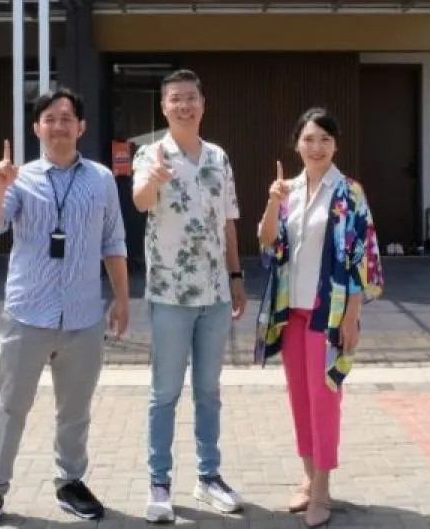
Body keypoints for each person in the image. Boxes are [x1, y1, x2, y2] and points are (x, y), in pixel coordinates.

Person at [0, 87, 130, 529]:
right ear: (37, 128)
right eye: (50, 119)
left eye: (66, 118)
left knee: (75, 411)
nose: (59, 126)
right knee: (9, 407)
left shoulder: (100, 179)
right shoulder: (19, 179)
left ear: (81, 127)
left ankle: (70, 482)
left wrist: (122, 298)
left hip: (83, 316)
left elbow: (113, 241)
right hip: (27, 314)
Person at [255, 107, 385, 529]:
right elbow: (267, 242)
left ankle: (323, 490)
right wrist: (273, 202)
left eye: (325, 139)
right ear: (297, 144)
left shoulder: (349, 193)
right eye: (309, 139)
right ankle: (308, 478)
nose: (316, 147)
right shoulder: (287, 190)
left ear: (335, 146)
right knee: (299, 398)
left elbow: (362, 258)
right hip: (291, 312)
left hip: (328, 314)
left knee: (325, 397)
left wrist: (351, 317)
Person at [131, 68, 248, 524]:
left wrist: (236, 276)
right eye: (175, 99)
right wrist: (154, 180)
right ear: (164, 107)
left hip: (215, 293)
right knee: (164, 393)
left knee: (208, 391)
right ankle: (159, 483)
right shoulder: (150, 153)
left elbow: (228, 221)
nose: (184, 105)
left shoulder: (219, 157)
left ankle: (208, 477)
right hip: (170, 293)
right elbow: (141, 201)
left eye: (190, 98)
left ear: (203, 103)